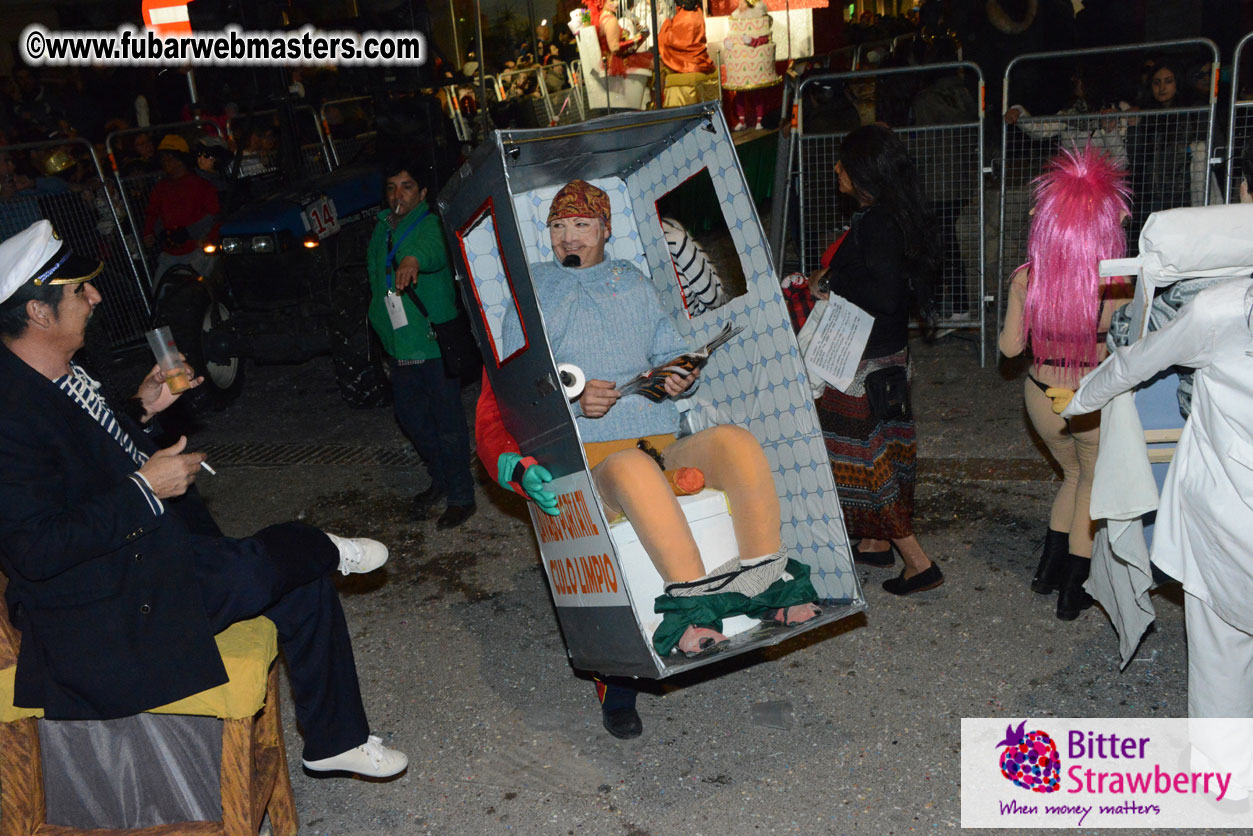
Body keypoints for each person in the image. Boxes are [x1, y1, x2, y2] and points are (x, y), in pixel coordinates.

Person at [0, 220, 407, 778]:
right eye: (78, 290)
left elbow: (82, 457)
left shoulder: (54, 376)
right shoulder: (9, 414)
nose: (94, 296)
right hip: (102, 614)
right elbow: (36, 548)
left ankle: (335, 740)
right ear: (38, 313)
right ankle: (320, 545)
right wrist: (147, 488)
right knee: (277, 559)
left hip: (143, 562)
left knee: (296, 578)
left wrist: (142, 409)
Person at [476, 180, 821, 732]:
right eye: (559, 227)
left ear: (605, 230)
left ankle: (766, 586)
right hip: (589, 457)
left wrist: (678, 375)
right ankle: (680, 621)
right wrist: (572, 397)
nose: (570, 237)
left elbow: (663, 348)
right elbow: (518, 388)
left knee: (735, 442)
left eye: (582, 226)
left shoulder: (632, 281)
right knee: (635, 472)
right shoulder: (534, 290)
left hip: (659, 437)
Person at [1053, 272, 1253, 794]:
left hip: (1233, 514)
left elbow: (1133, 363)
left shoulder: (1224, 309)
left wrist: (1079, 401)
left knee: (1223, 649)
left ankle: (1228, 781)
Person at [798, 124, 942, 595]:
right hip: (885, 355)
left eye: (844, 161)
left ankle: (918, 562)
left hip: (859, 364)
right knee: (880, 451)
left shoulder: (879, 222)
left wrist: (830, 283)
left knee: (868, 462)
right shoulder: (893, 215)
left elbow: (883, 291)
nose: (836, 168)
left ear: (865, 170)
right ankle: (875, 543)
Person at [997, 146, 1132, 620]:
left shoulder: (1026, 279)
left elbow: (1011, 350)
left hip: (1040, 393)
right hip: (1091, 396)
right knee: (1089, 480)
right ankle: (1073, 590)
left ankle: (1046, 573)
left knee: (1070, 475)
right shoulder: (1116, 283)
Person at [366, 159, 476, 529]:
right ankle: (441, 478)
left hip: (431, 344)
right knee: (412, 419)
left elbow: (431, 250)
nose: (398, 195)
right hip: (400, 346)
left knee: (447, 423)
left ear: (423, 192)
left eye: (407, 186)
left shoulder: (431, 224)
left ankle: (462, 495)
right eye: (392, 187)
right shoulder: (381, 227)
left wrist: (413, 259)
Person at [141, 134, 218, 282]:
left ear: (180, 159)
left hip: (196, 252)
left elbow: (214, 215)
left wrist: (202, 237)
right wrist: (149, 233)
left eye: (169, 157)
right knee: (160, 294)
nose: (165, 162)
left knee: (190, 293)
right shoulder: (161, 187)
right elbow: (153, 213)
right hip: (170, 253)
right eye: (163, 158)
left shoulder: (201, 184)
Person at [657, 0, 714, 75]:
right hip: (698, 58)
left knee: (657, 63)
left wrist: (666, 25)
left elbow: (670, 41)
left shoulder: (685, 17)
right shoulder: (698, 12)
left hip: (687, 60)